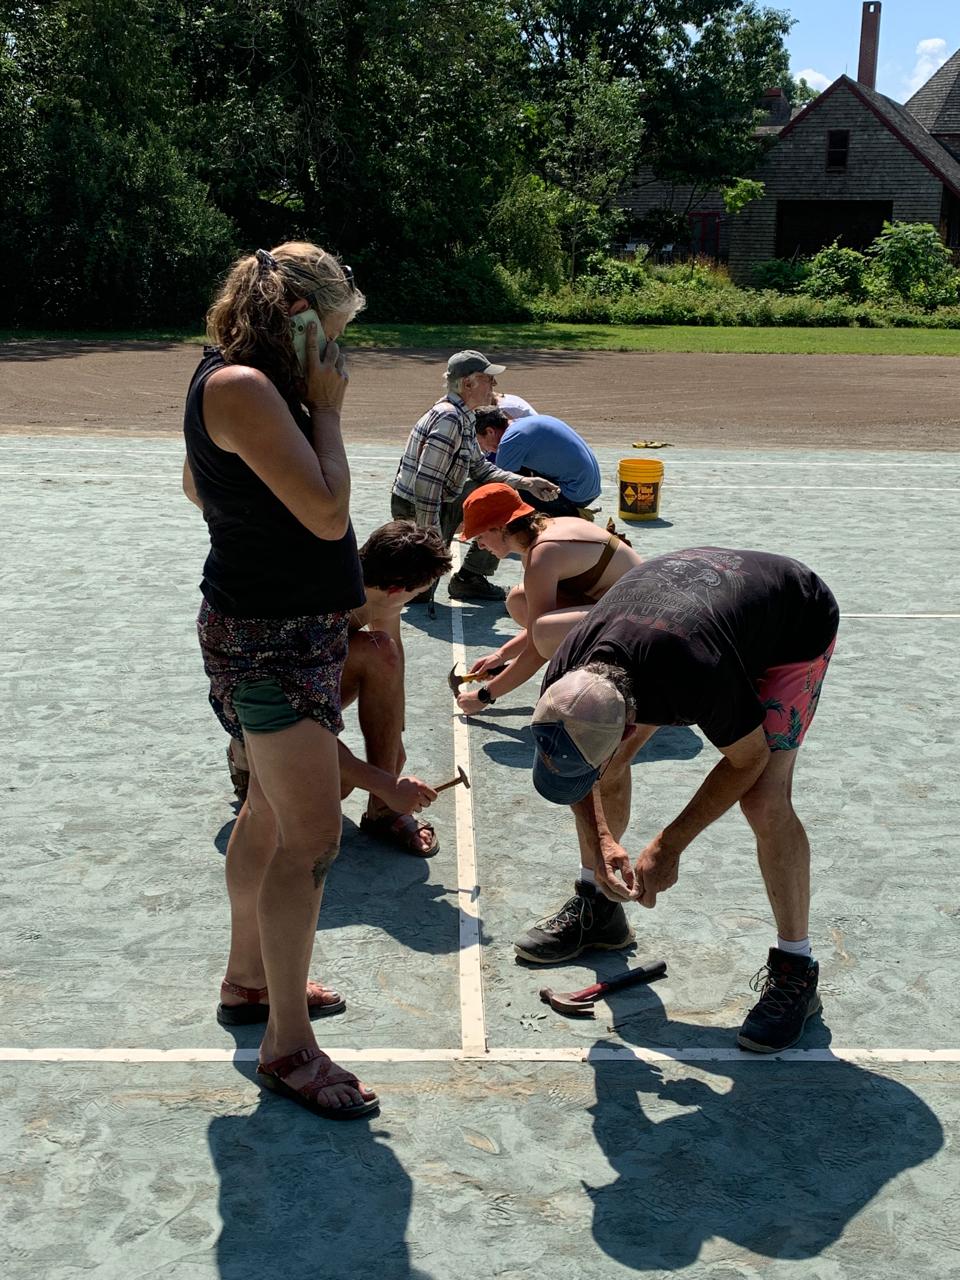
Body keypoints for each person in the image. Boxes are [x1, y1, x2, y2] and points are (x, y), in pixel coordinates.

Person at [183, 241, 433, 1120]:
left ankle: (248, 982)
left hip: (291, 632)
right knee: (311, 840)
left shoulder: (242, 383)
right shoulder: (243, 386)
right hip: (268, 644)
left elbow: (197, 487)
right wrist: (326, 412)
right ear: (297, 317)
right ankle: (286, 1047)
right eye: (332, 330)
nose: (337, 349)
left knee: (267, 815)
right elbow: (328, 513)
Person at [518, 547, 839, 1055]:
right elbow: (576, 771)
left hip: (793, 620)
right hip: (684, 624)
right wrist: (602, 842)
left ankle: (796, 969)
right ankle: (600, 908)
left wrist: (669, 846)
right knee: (605, 763)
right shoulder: (565, 678)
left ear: (631, 724)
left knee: (764, 798)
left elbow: (748, 759)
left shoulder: (694, 674)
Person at [226, 520, 452, 857]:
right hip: (273, 715)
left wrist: (394, 741)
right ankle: (247, 760)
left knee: (382, 651)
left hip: (306, 694)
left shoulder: (375, 591)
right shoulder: (319, 618)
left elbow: (393, 660)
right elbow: (300, 731)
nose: (414, 600)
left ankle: (383, 812)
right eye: (417, 594)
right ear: (395, 590)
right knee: (336, 787)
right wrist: (384, 782)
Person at [452, 484, 642, 715]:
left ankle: (618, 679)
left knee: (544, 631)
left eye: (481, 536)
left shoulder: (543, 555)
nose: (480, 545)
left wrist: (484, 695)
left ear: (500, 527)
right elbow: (540, 631)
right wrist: (500, 656)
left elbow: (538, 646)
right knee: (519, 600)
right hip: (634, 617)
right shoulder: (545, 532)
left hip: (646, 630)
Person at [391, 350, 560, 601]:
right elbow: (426, 485)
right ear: (467, 384)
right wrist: (430, 537)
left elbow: (481, 469)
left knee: (500, 497)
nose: (495, 384)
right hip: (417, 506)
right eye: (488, 378)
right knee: (418, 593)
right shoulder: (449, 418)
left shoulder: (464, 416)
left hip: (439, 500)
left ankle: (470, 578)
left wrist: (526, 483)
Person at [474, 406, 602, 518]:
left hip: (575, 494)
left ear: (490, 431)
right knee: (520, 477)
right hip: (588, 489)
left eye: (479, 442)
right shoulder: (524, 423)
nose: (483, 449)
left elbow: (498, 484)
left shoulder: (509, 441)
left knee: (508, 489)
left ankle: (570, 515)